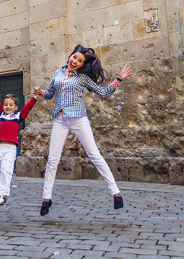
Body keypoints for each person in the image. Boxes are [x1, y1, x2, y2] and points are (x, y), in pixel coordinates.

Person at [34, 45, 132, 216]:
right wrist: (40, 92)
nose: (75, 61)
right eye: (74, 57)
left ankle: (116, 193)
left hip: (79, 119)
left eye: (79, 61)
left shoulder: (83, 78)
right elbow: (50, 94)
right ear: (70, 56)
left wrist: (119, 80)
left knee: (94, 155)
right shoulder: (58, 73)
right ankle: (46, 199)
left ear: (82, 65)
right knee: (53, 159)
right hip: (60, 119)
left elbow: (104, 93)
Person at [0, 84, 38, 205]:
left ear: (16, 107)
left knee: (6, 170)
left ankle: (3, 194)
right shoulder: (1, 115)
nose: (7, 107)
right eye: (6, 105)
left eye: (11, 105)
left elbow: (28, 108)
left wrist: (35, 97)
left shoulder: (18, 116)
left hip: (10, 148)